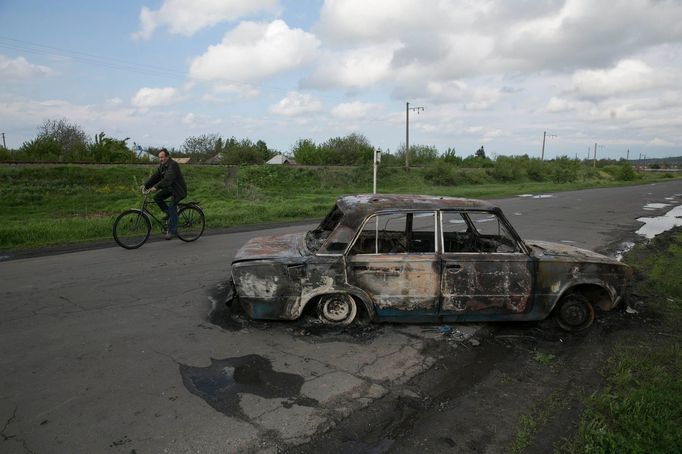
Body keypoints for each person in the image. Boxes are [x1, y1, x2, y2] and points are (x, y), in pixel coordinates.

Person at [143, 148, 187, 240]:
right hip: (171, 189)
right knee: (157, 197)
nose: (160, 159)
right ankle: (169, 214)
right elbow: (156, 176)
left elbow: (168, 179)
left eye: (162, 157)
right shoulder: (163, 165)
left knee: (172, 207)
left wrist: (156, 187)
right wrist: (145, 186)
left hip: (178, 191)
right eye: (159, 157)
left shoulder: (173, 165)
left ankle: (172, 231)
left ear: (167, 156)